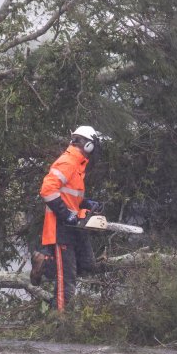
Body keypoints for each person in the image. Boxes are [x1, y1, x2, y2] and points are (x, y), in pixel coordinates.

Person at [30, 125, 104, 311]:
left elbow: (69, 197)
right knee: (67, 283)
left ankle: (47, 263)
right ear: (87, 145)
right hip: (60, 228)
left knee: (87, 265)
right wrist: (66, 215)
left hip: (74, 227)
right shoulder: (68, 162)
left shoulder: (78, 165)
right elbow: (47, 190)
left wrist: (86, 204)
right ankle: (61, 322)